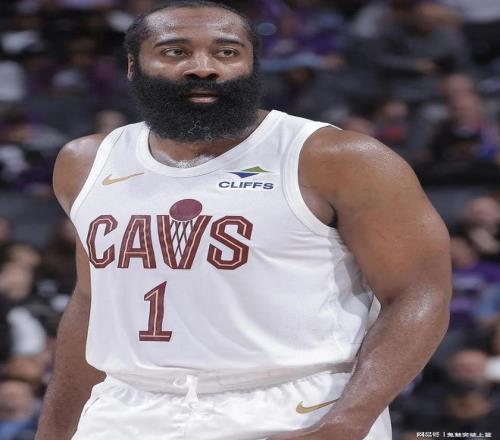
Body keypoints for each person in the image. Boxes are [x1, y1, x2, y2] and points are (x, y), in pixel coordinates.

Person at [35, 1, 451, 439]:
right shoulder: (85, 162)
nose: (203, 67)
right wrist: (53, 431)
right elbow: (91, 301)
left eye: (227, 52)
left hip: (296, 407)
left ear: (252, 65)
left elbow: (419, 292)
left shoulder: (336, 158)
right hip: (126, 407)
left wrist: (350, 420)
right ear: (133, 67)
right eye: (175, 52)